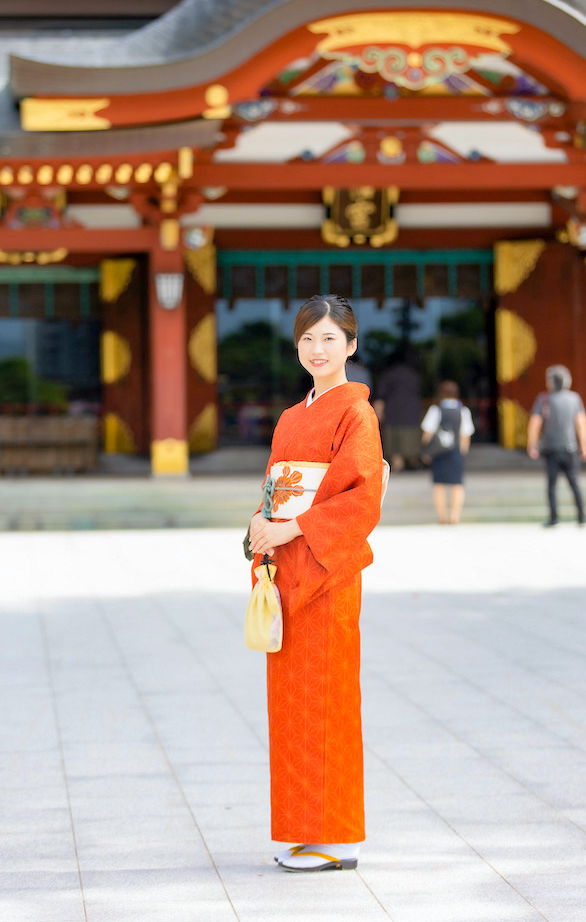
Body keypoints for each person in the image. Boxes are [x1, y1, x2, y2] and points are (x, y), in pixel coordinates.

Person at [248, 294, 385, 872]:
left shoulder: (356, 413)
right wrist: (260, 530)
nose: (317, 349)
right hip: (288, 572)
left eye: (329, 338)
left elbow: (363, 500)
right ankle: (302, 828)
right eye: (307, 338)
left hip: (327, 576)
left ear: (351, 345)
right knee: (292, 706)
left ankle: (337, 838)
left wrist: (293, 528)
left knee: (326, 701)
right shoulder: (290, 416)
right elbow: (275, 487)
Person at [527, 365, 586, 526]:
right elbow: (581, 423)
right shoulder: (574, 398)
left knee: (551, 485)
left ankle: (554, 517)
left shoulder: (543, 399)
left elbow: (535, 423)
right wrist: (585, 445)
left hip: (551, 449)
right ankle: (581, 516)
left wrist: (532, 444)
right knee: (574, 483)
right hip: (570, 448)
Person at [420, 380, 474, 524]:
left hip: (438, 452)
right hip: (456, 451)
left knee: (439, 484)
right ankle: (455, 516)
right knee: (457, 484)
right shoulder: (463, 411)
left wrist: (426, 450)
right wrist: (463, 452)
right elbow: (465, 435)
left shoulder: (435, 410)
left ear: (441, 394)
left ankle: (442, 516)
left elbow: (427, 433)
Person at [373, 346, 423, 471]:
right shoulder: (414, 375)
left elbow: (380, 396)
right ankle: (412, 461)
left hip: (393, 413)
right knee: (411, 439)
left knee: (394, 443)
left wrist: (377, 414)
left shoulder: (389, 374)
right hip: (412, 412)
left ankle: (397, 464)